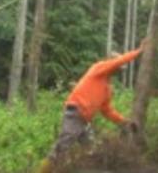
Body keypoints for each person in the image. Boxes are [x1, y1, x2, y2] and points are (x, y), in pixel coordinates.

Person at [40, 38, 149, 171]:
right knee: (62, 147)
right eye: (116, 65)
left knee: (91, 150)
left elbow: (107, 110)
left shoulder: (106, 89)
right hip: (75, 113)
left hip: (84, 121)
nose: (118, 69)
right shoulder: (98, 69)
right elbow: (119, 61)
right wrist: (138, 51)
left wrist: (125, 122)